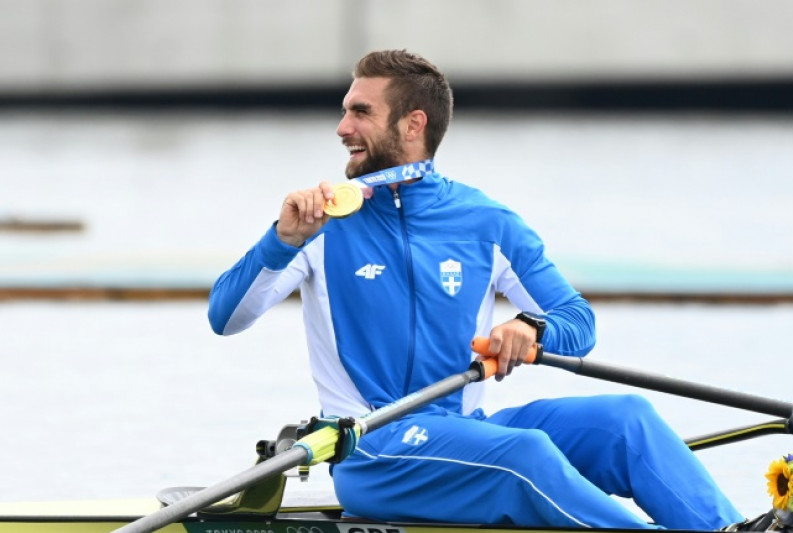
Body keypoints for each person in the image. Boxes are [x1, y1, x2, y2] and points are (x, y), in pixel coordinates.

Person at [208, 49, 744, 530]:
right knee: (525, 454)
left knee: (627, 421)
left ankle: (735, 530)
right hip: (374, 449)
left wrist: (531, 327)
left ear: (413, 124)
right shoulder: (321, 224)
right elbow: (225, 318)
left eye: (360, 112)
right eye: (346, 110)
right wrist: (281, 241)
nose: (342, 127)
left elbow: (579, 324)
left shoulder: (486, 221)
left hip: (466, 430)